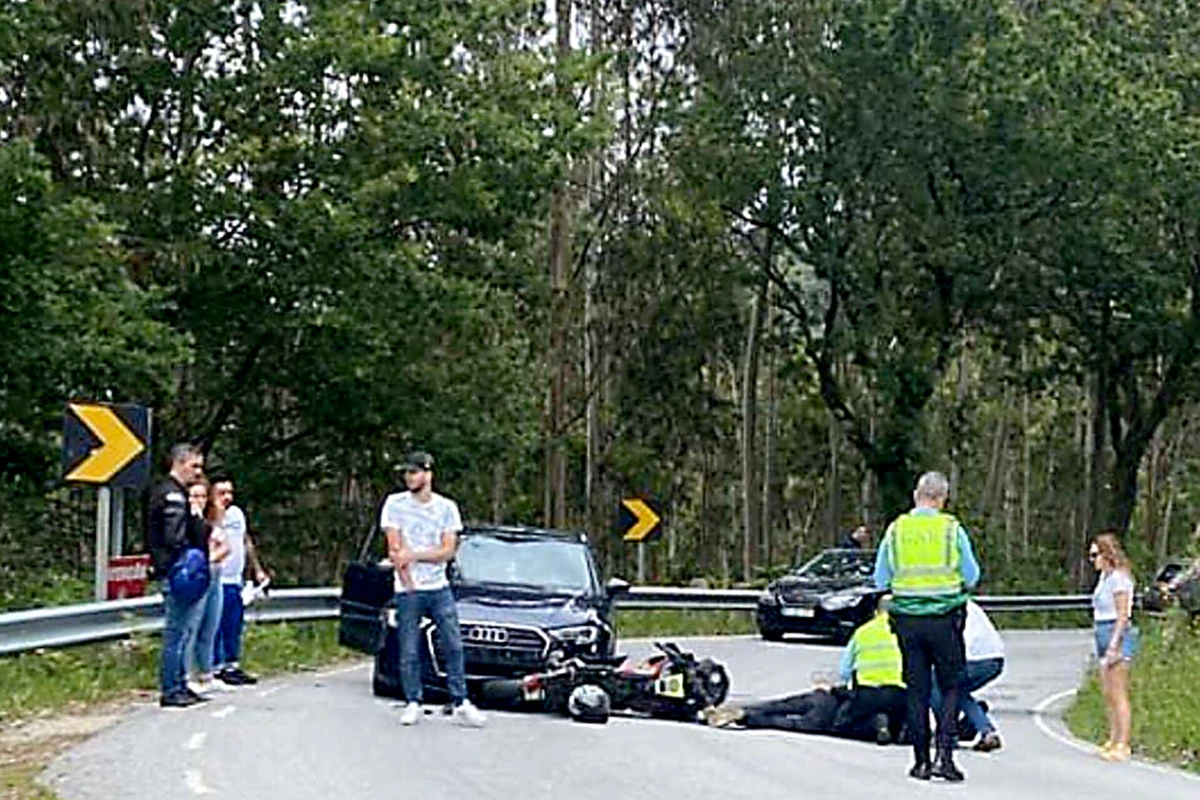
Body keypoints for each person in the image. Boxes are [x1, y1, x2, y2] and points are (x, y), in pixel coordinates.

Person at [874, 471, 980, 782]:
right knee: (950, 686)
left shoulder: (896, 530)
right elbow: (972, 575)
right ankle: (944, 757)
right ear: (942, 498)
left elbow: (880, 579)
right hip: (945, 618)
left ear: (916, 495)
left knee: (916, 690)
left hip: (907, 621)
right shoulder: (951, 530)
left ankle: (920, 761)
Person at [702, 601, 904, 742]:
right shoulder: (908, 633)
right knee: (791, 722)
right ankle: (746, 716)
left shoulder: (864, 632)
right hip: (894, 700)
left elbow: (844, 672)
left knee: (787, 704)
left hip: (853, 699)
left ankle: (746, 709)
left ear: (876, 612)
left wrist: (833, 689)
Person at [383, 451, 485, 727]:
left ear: (428, 474)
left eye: (415, 472)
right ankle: (413, 701)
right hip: (409, 588)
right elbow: (394, 547)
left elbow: (447, 550)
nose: (409, 477)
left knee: (452, 644)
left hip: (439, 586)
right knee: (409, 648)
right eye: (407, 473)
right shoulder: (395, 504)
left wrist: (413, 555)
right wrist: (407, 580)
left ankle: (460, 699)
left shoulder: (446, 508)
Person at [147, 443, 209, 708]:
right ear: (179, 463)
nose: (198, 472)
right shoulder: (172, 495)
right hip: (176, 570)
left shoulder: (173, 493)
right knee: (176, 632)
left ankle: (180, 683)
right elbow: (174, 536)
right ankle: (171, 688)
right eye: (194, 466)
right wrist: (187, 557)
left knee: (183, 631)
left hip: (173, 568)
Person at [212, 475, 269, 686]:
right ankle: (215, 666)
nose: (227, 497)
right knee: (216, 625)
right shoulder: (209, 516)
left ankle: (231, 664)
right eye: (221, 493)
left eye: (229, 492)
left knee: (233, 623)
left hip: (235, 578)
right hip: (217, 578)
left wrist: (257, 569)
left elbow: (245, 541)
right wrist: (217, 513)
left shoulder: (236, 514)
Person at [931, 599, 1004, 752]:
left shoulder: (949, 608)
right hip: (995, 659)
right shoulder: (968, 605)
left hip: (974, 659)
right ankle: (986, 730)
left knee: (936, 686)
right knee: (958, 692)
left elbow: (959, 642)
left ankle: (947, 733)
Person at [1090, 532, 1139, 762]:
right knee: (1107, 692)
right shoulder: (1104, 578)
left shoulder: (1120, 578)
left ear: (1106, 554)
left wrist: (1114, 643)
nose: (1093, 561)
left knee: (1118, 692)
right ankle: (1112, 737)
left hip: (1115, 632)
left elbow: (1122, 615)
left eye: (1095, 555)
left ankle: (1123, 742)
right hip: (1101, 629)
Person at [831, 597, 907, 744]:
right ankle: (900, 728)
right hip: (897, 694)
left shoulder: (861, 632)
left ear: (875, 612)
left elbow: (844, 671)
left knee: (845, 725)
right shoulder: (905, 631)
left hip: (867, 694)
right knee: (902, 714)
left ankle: (877, 724)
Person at [184, 479, 230, 695]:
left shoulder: (208, 521)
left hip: (215, 573)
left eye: (203, 496)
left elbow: (225, 546)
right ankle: (187, 674)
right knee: (192, 626)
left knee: (210, 626)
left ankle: (206, 672)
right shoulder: (187, 522)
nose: (199, 501)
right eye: (194, 496)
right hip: (198, 574)